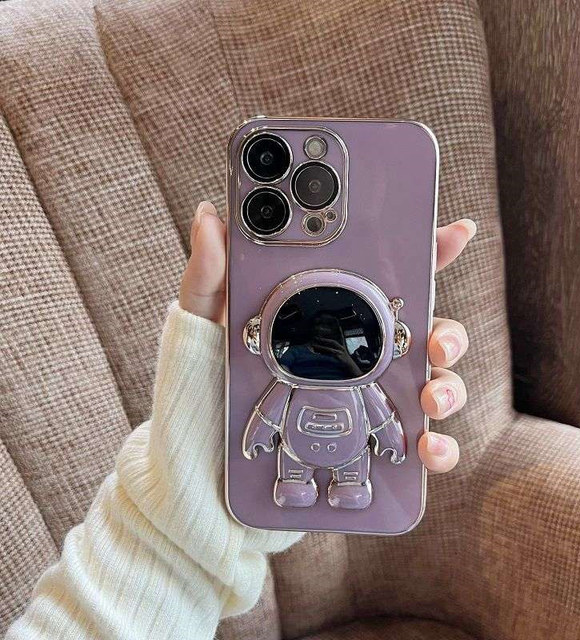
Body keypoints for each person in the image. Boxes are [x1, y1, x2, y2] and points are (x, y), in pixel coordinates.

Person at [6, 201, 475, 639]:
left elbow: (376, 417)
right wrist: (224, 455)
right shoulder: (298, 382)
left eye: (343, 336)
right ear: (256, 337)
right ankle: (304, 481)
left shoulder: (342, 385)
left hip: (333, 446)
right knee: (296, 470)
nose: (326, 345)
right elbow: (281, 414)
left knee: (336, 467)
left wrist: (390, 439)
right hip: (301, 449)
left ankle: (342, 481)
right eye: (311, 334)